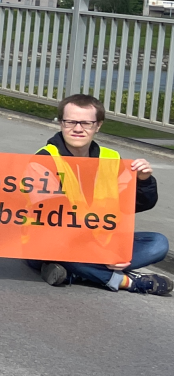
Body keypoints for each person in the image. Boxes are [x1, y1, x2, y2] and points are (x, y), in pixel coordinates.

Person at [30, 94, 171, 295]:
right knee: (66, 253)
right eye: (70, 122)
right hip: (52, 242)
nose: (78, 129)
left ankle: (77, 273)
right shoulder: (44, 158)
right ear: (61, 123)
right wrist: (102, 253)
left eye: (86, 123)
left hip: (98, 240)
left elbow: (133, 204)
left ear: (98, 126)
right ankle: (126, 282)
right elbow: (53, 218)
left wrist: (143, 180)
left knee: (158, 243)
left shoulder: (111, 158)